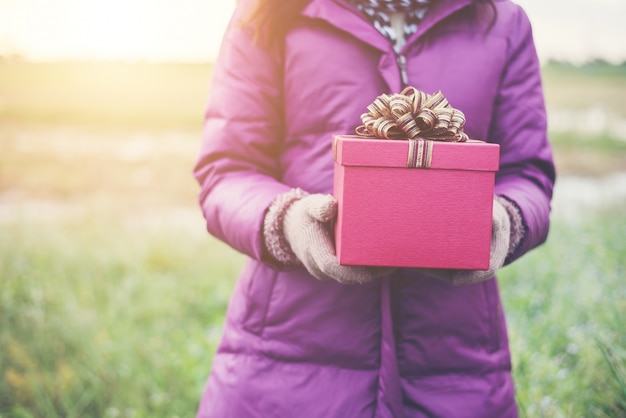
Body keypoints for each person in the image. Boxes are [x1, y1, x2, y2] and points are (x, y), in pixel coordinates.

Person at [193, 0, 555, 416]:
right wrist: (288, 222)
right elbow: (227, 171)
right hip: (286, 357)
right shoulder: (269, 11)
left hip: (456, 364)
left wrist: (507, 220)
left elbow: (528, 173)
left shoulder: (502, 22)